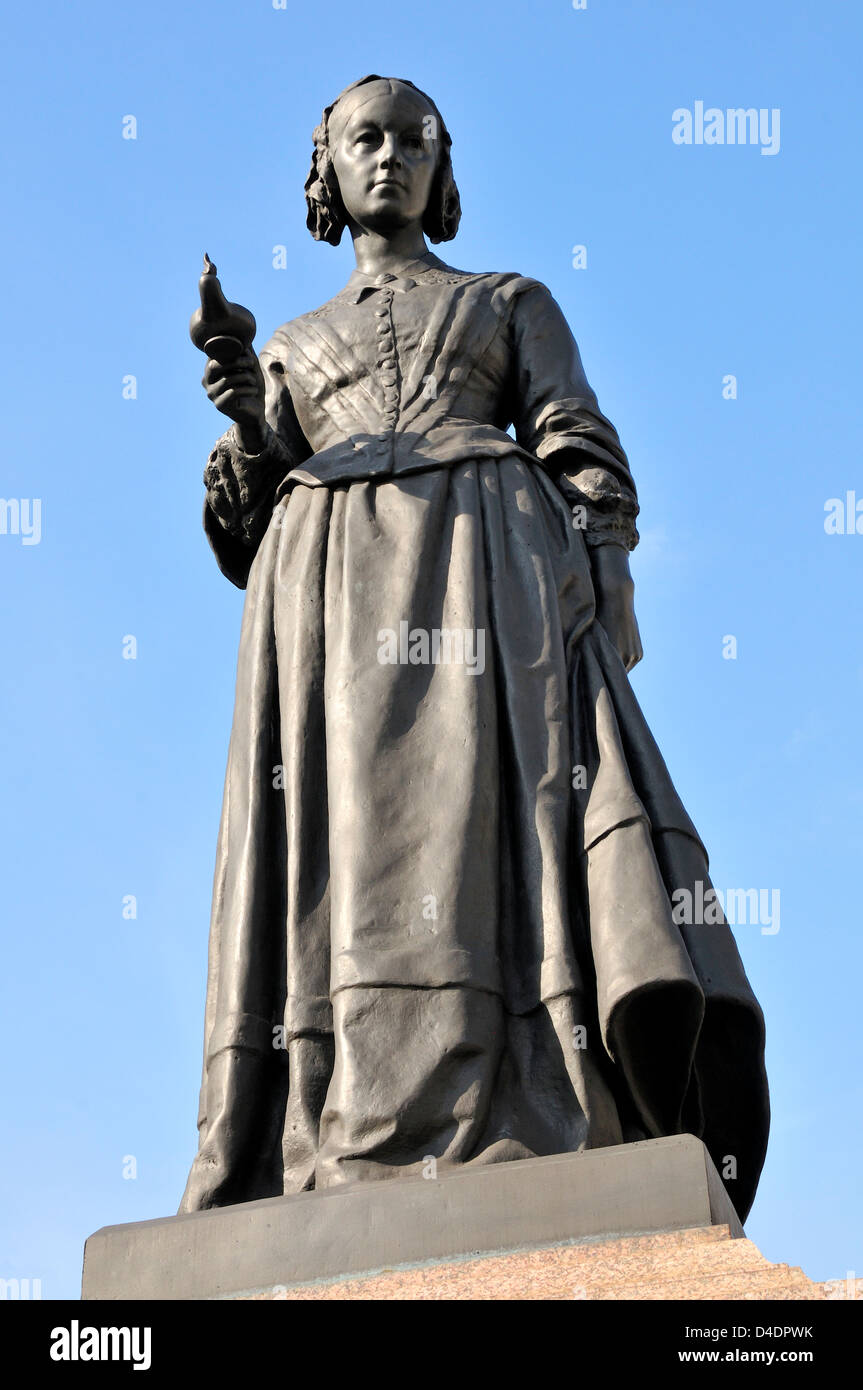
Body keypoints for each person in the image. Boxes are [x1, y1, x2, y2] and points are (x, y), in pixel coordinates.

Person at [180, 75, 769, 1221]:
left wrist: (598, 580)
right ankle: (337, 1108)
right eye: (365, 140)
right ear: (328, 171)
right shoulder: (294, 348)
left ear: (442, 168)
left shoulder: (510, 301)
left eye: (413, 140)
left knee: (486, 838)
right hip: (328, 608)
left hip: (486, 584)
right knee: (345, 855)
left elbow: (578, 446)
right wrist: (250, 422)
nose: (389, 157)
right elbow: (244, 540)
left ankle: (532, 1094)